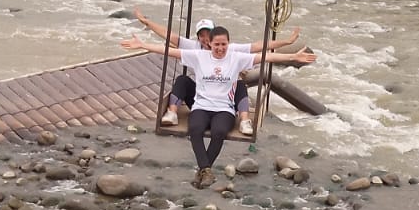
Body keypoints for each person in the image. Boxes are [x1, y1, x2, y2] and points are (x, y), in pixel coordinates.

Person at [123, 26, 316, 187]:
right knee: (195, 130)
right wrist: (143, 45)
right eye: (217, 44)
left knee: (219, 132)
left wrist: (293, 56)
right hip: (201, 106)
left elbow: (265, 57)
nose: (220, 48)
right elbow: (170, 51)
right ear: (210, 44)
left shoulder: (236, 58)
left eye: (224, 44)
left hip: (224, 108)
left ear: (228, 44)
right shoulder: (199, 56)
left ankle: (203, 170)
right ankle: (206, 171)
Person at [131, 7, 301, 136]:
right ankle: (172, 113)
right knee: (182, 79)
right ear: (198, 37)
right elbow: (168, 35)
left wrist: (286, 42)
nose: (205, 39)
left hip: (223, 100)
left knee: (239, 84)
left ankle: (244, 120)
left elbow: (258, 47)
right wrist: (146, 22)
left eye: (208, 34)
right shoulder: (194, 48)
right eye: (202, 35)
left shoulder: (228, 48)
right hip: (201, 99)